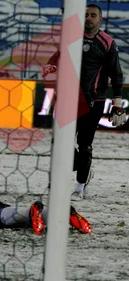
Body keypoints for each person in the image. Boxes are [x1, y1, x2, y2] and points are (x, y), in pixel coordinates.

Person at [43, 4, 125, 200]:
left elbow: (116, 74)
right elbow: (55, 60)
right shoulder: (70, 38)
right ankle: (71, 170)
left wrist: (118, 105)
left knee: (85, 144)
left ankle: (79, 187)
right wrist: (51, 68)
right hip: (67, 99)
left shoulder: (107, 42)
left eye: (93, 15)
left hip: (93, 101)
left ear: (100, 20)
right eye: (86, 15)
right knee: (59, 142)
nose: (88, 18)